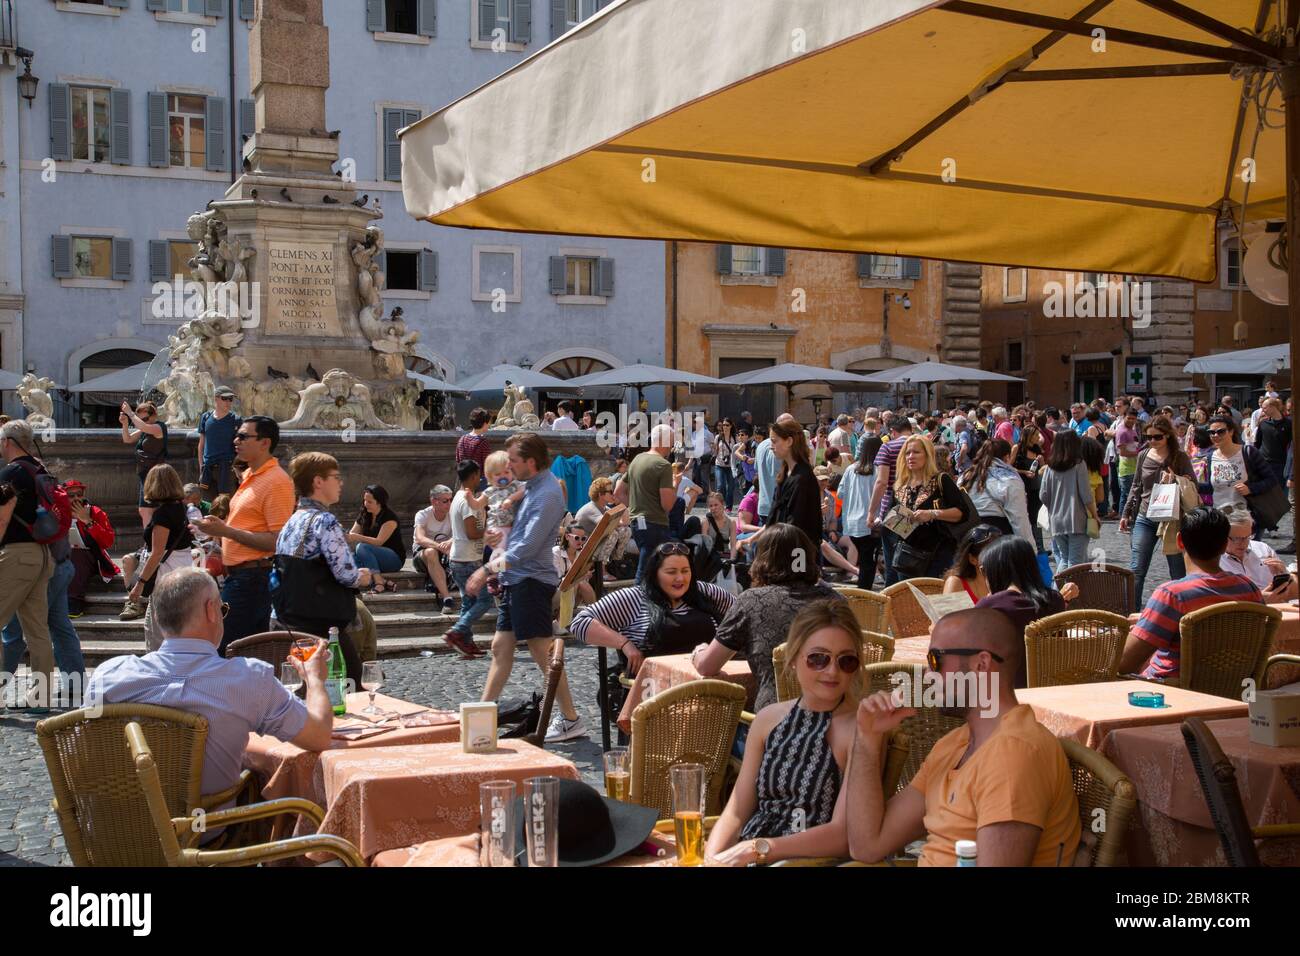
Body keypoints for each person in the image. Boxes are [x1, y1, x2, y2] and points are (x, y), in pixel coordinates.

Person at [847, 607, 1081, 866]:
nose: (928, 673)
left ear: (981, 664)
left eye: (935, 660)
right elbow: (867, 846)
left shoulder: (1013, 754)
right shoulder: (955, 744)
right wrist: (867, 738)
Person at [87, 567, 334, 802]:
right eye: (222, 608)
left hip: (112, 837)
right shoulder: (247, 679)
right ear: (211, 610)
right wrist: (314, 680)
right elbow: (320, 736)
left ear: (155, 616)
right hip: (203, 834)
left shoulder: (107, 676)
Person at [706, 599, 861, 866]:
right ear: (793, 659)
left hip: (805, 860)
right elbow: (737, 809)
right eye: (818, 659)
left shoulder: (859, 728)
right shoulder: (768, 719)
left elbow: (843, 835)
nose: (832, 671)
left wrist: (756, 849)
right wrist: (711, 858)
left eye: (846, 661)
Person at [477, 433, 585, 743]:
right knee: (501, 647)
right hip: (517, 580)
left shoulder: (547, 494)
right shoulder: (533, 486)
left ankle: (570, 719)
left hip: (530, 581)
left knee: (543, 652)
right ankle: (482, 716)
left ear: (531, 463)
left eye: (513, 460)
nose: (507, 465)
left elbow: (527, 547)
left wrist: (486, 569)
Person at [572, 540, 735, 730]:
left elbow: (742, 614)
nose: (680, 578)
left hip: (708, 700)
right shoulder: (633, 598)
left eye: (685, 570)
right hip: (652, 702)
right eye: (671, 572)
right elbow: (580, 623)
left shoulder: (705, 592)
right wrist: (624, 644)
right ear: (655, 573)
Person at [693, 524, 841, 711]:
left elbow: (707, 666)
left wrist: (698, 652)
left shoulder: (752, 601)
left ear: (763, 559)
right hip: (838, 715)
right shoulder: (836, 599)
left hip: (776, 721)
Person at [191, 415, 296, 654]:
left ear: (264, 442)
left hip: (252, 579)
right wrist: (218, 530)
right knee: (245, 653)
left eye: (243, 436)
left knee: (220, 648)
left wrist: (225, 531)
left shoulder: (276, 481)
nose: (235, 440)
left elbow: (277, 540)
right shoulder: (251, 477)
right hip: (243, 577)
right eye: (237, 435)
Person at [1120, 507, 1263, 680]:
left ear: (1180, 541)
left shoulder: (1172, 595)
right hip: (1233, 690)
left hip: (1171, 693)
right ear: (1225, 545)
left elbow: (1124, 664)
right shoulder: (1249, 589)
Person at [273, 452, 377, 682]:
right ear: (318, 481)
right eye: (336, 477)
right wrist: (365, 576)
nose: (340, 483)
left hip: (292, 618)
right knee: (350, 685)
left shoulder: (293, 519)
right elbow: (346, 575)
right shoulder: (324, 521)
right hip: (322, 622)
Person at [0, 420, 57, 709]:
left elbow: (2, 517)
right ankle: (42, 696)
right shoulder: (39, 469)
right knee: (37, 630)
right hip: (42, 554)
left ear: (8, 441)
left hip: (17, 555)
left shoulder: (10, 472)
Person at [1119, 415, 1199, 609]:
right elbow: (1136, 485)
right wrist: (1126, 512)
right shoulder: (1143, 455)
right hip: (1145, 516)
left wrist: (1176, 477)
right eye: (1148, 437)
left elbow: (1193, 485)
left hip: (1172, 519)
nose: (1152, 441)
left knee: (1177, 570)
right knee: (1137, 569)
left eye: (1157, 437)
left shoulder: (1179, 457)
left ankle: (1181, 613)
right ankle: (1132, 613)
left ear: (1168, 436)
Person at [882, 435, 968, 581]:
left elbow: (962, 513)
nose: (910, 457)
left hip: (939, 555)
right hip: (907, 556)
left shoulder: (941, 480)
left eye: (916, 452)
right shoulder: (900, 485)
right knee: (909, 601)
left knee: (936, 599)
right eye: (907, 453)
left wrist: (932, 513)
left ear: (928, 455)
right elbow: (892, 521)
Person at [132, 465, 198, 653]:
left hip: (165, 578)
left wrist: (140, 583)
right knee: (159, 629)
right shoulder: (181, 508)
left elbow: (157, 552)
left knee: (158, 636)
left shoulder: (162, 514)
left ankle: (159, 676)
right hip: (181, 572)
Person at [1197, 414, 1282, 537]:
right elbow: (1212, 488)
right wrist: (1191, 484)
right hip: (1220, 519)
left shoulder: (1248, 452)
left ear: (1231, 432)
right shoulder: (1211, 457)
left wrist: (1251, 488)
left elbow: (1271, 480)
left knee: (1247, 554)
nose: (1215, 435)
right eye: (1212, 432)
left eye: (1221, 431)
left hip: (1248, 519)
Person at [444, 459, 491, 658]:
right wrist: (490, 531)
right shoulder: (467, 500)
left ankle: (466, 642)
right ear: (473, 476)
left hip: (460, 558)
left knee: (468, 602)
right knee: (485, 600)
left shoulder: (458, 497)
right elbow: (472, 532)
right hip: (468, 560)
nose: (480, 478)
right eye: (478, 475)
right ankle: (457, 631)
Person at [1038, 429, 1099, 573]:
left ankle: (1062, 592)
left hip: (1056, 521)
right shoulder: (1079, 464)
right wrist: (1095, 515)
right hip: (1076, 519)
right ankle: (1060, 593)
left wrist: (1054, 507)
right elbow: (1086, 494)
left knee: (1065, 559)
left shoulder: (1050, 467)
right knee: (1074, 563)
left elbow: (1043, 495)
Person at [625, 424, 678, 583]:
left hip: (637, 522)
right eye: (671, 442)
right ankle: (636, 604)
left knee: (649, 569)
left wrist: (635, 506)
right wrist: (675, 485)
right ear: (665, 441)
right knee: (646, 572)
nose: (672, 447)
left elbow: (618, 492)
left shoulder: (637, 459)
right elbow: (667, 505)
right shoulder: (663, 465)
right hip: (655, 524)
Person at [62, 479, 118, 618]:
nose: (76, 498)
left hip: (92, 559)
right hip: (61, 556)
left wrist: (88, 521)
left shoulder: (95, 512)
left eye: (79, 494)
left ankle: (74, 602)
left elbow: (108, 541)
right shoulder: (59, 513)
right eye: (71, 495)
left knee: (77, 554)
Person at [960, 439, 1034, 543]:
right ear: (1006, 457)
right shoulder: (1009, 479)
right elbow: (1019, 519)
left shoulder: (965, 476)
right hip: (997, 536)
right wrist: (1029, 549)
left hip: (969, 536)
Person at [867, 417, 913, 585]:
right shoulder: (923, 445)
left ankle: (894, 600)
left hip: (895, 509)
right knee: (914, 556)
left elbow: (881, 482)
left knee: (894, 558)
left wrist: (872, 512)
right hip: (919, 508)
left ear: (893, 431)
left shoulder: (888, 447)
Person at [840, 433, 881, 591]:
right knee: (868, 563)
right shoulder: (878, 472)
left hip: (852, 523)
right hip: (871, 523)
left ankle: (863, 591)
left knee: (865, 561)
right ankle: (864, 593)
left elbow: (842, 493)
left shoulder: (851, 469)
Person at [1219, 513, 1291, 603]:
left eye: (1248, 537)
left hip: (1277, 606)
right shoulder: (1214, 561)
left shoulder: (1263, 549)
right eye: (1237, 539)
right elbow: (1219, 601)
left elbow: (1288, 587)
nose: (1243, 543)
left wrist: (1283, 574)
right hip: (1242, 613)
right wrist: (1258, 600)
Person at [120, 400, 168, 529]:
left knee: (146, 510)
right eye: (142, 419)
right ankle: (151, 542)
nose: (144, 422)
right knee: (148, 510)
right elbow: (127, 439)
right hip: (145, 474)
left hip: (155, 474)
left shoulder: (158, 427)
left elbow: (143, 426)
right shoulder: (145, 429)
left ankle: (149, 543)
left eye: (146, 418)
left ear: (154, 415)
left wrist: (130, 413)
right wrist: (125, 424)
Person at [412, 485, 458, 611]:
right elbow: (420, 538)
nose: (449, 503)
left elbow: (461, 533)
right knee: (431, 552)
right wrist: (440, 547)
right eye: (445, 501)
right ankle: (447, 597)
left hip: (446, 553)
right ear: (433, 501)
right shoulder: (423, 515)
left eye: (450, 499)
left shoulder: (453, 513)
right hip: (422, 555)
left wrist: (450, 541)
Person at [347, 484, 405, 580]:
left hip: (393, 560)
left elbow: (379, 542)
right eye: (365, 500)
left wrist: (357, 537)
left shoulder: (389, 518)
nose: (366, 504)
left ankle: (378, 580)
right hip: (371, 558)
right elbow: (351, 535)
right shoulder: (364, 514)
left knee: (362, 547)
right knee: (348, 560)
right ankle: (384, 582)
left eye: (369, 502)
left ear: (379, 503)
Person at [197, 386, 241, 497]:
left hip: (228, 470)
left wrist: (238, 470)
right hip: (207, 470)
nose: (228, 402)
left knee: (227, 508)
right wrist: (201, 465)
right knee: (207, 506)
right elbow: (202, 443)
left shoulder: (236, 420)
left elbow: (240, 446)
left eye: (230, 399)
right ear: (216, 399)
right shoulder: (205, 417)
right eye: (224, 398)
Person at [942, 524, 1002, 602]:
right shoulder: (956, 583)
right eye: (990, 554)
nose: (999, 558)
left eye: (1000, 552)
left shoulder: (1007, 582)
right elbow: (948, 613)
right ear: (972, 559)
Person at [756, 414, 796, 525]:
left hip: (764, 505)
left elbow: (757, 470)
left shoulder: (761, 445)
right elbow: (780, 478)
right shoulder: (779, 449)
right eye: (790, 426)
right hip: (777, 508)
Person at [1254, 397, 1291, 485]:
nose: (1263, 411)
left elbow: (1291, 445)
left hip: (1280, 464)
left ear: (1273, 407)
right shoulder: (1263, 424)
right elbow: (1257, 443)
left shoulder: (1288, 424)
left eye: (1264, 408)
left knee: (1278, 490)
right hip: (1263, 463)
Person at [455, 407, 493, 486]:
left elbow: (458, 460)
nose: (489, 425)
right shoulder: (483, 442)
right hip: (479, 482)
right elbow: (487, 465)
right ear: (484, 424)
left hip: (463, 480)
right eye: (489, 422)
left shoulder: (462, 439)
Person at [713, 418, 737, 508]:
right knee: (720, 486)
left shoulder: (735, 438)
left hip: (731, 466)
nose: (725, 427)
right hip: (719, 464)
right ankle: (719, 505)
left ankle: (729, 507)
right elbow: (715, 451)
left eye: (727, 425)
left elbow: (738, 451)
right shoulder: (718, 437)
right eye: (723, 425)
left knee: (730, 488)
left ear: (731, 426)